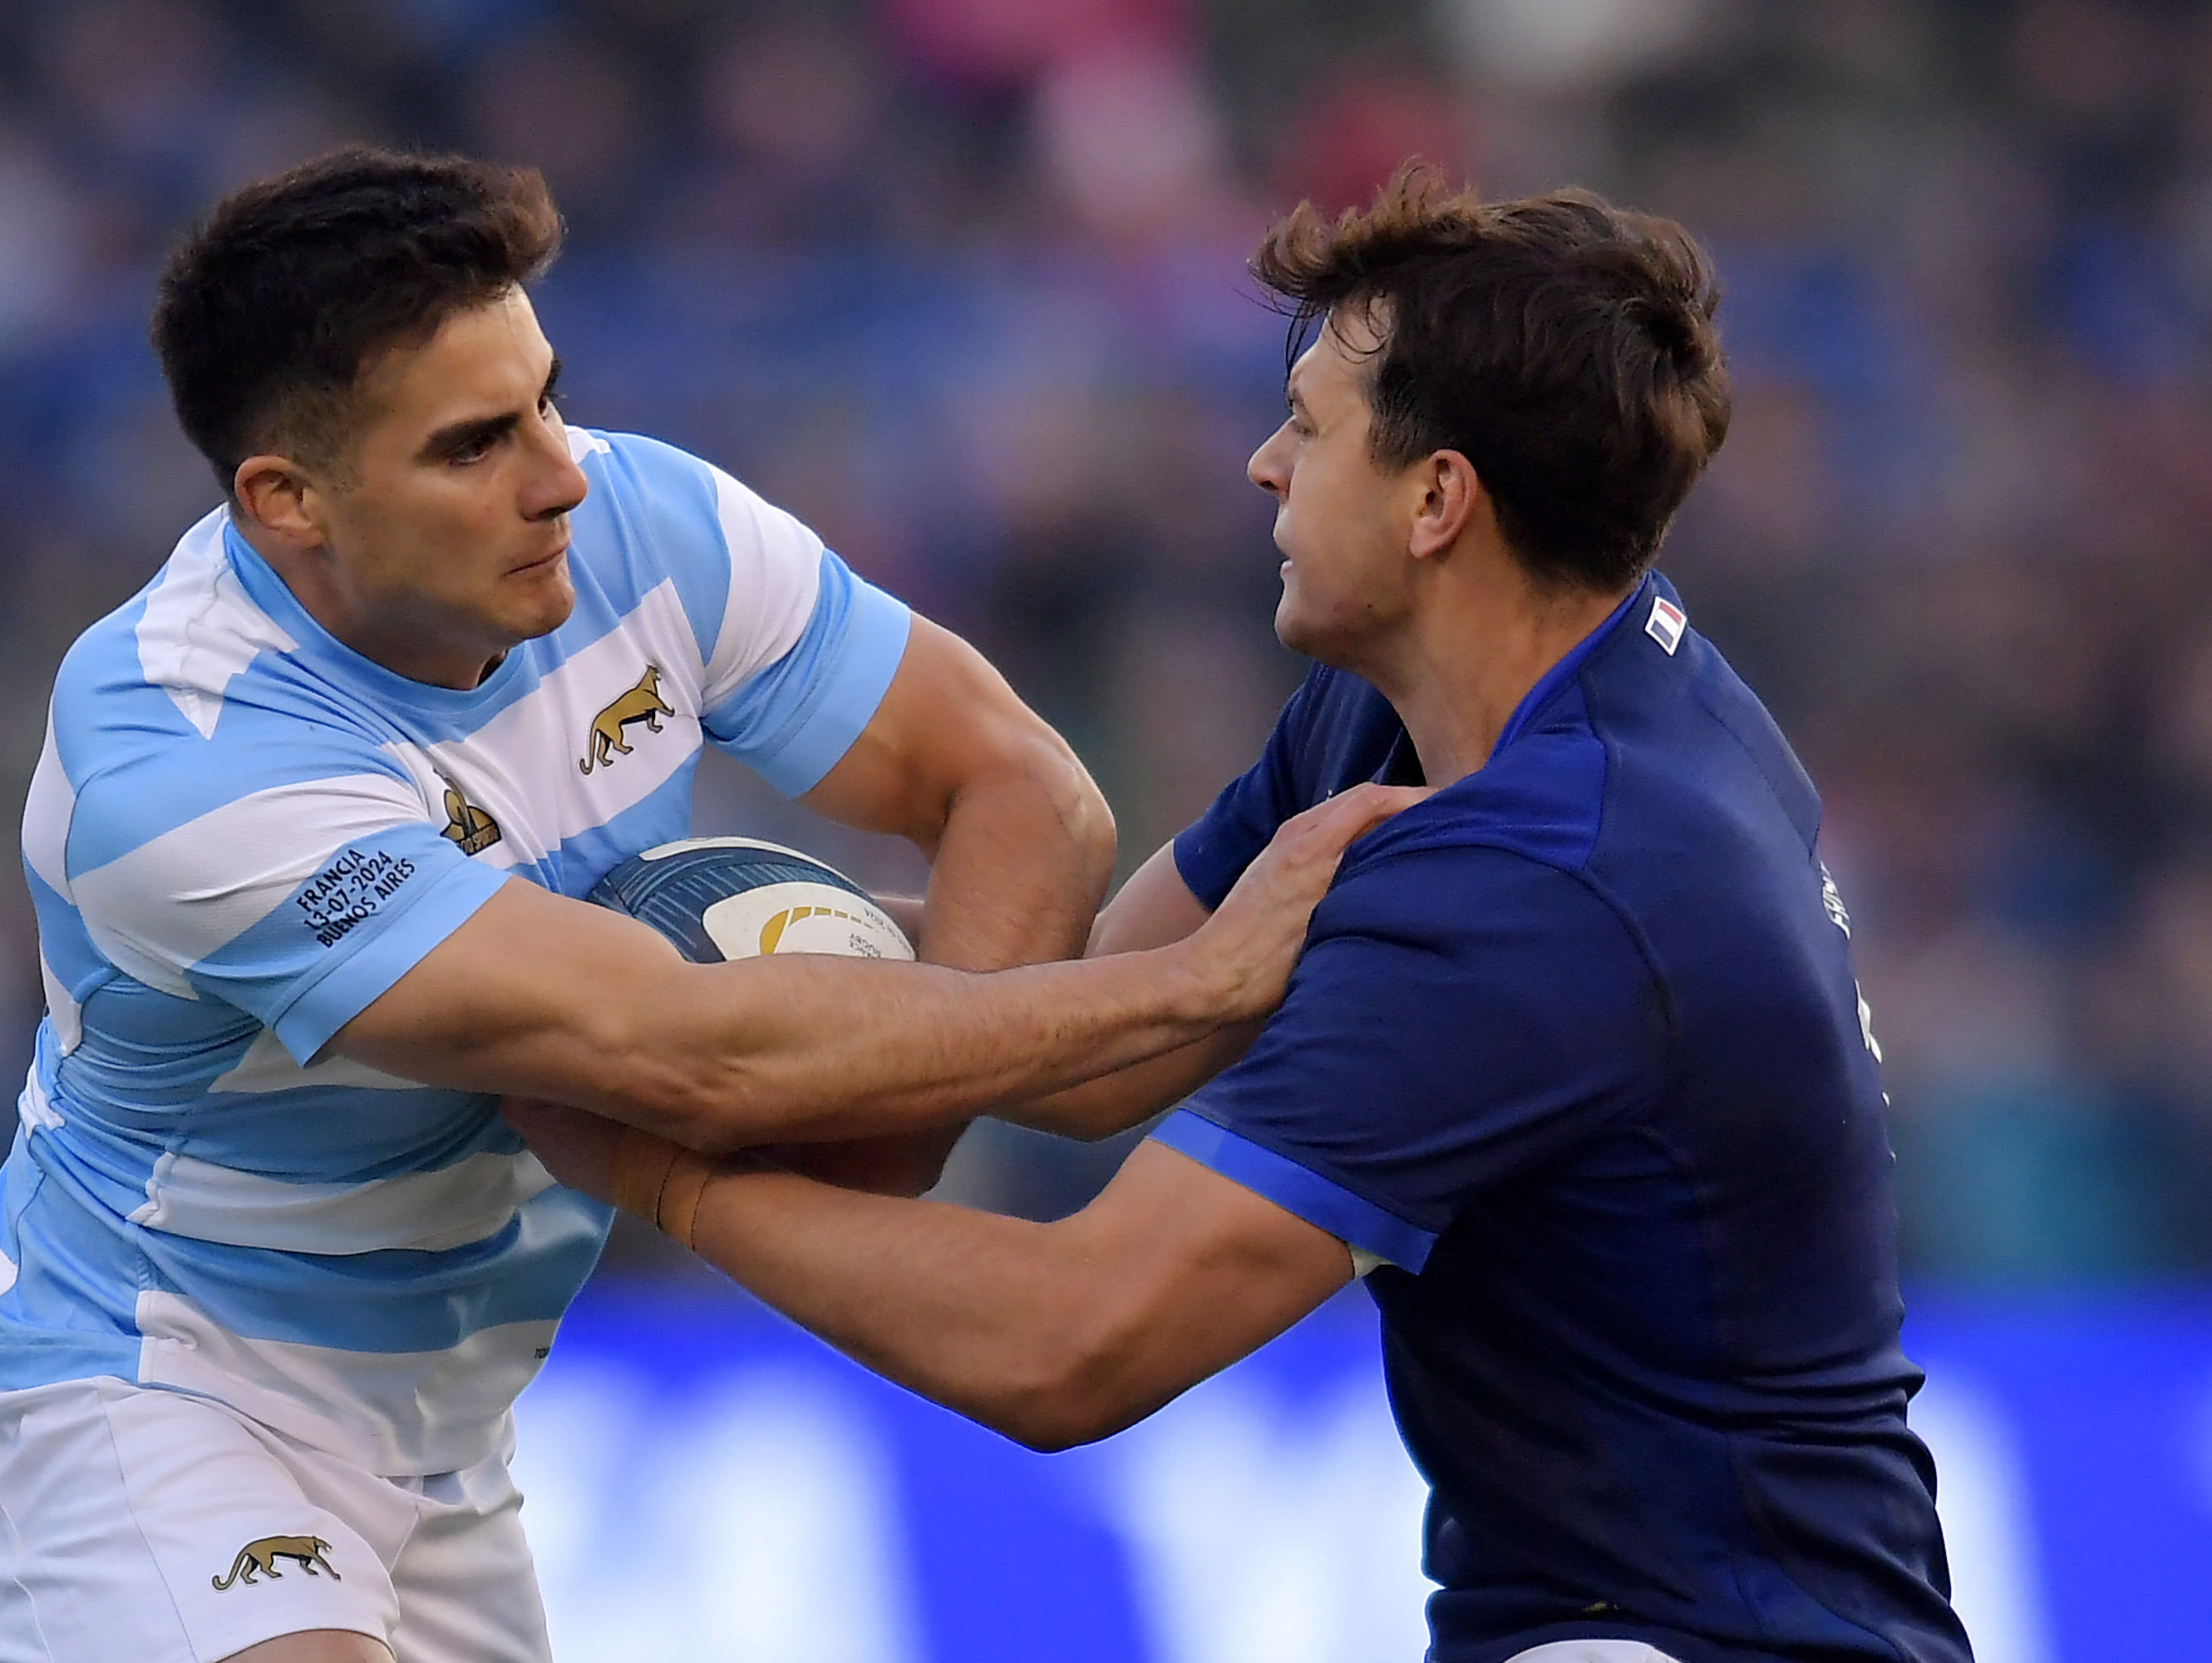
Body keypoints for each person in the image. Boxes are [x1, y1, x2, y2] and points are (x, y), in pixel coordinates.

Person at [0, 146, 1393, 1663]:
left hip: (448, 1437)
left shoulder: (638, 519)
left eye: (547, 395)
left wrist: (886, 1125)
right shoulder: (186, 757)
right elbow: (683, 1055)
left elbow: (1021, 791)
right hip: (147, 1398)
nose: (560, 471)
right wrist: (1196, 985)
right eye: (474, 444)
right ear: (288, 500)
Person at [514, 169, 1978, 1663]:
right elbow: (1090, 1039)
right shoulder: (1464, 705)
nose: (1266, 467)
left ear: (1436, 501)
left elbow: (1068, 1343)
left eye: (1309, 426)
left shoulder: (1541, 886)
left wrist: (658, 1166)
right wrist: (664, 951)